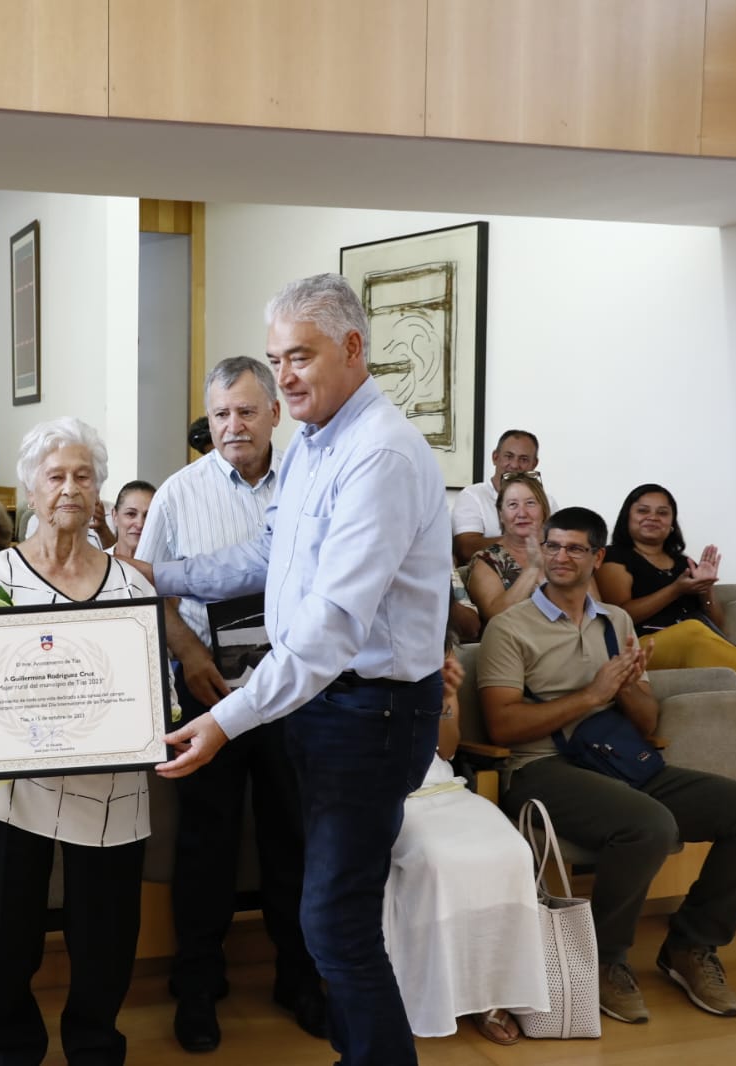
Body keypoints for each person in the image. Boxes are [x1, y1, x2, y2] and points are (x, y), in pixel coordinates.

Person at [145, 274, 450, 1066]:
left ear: (352, 349)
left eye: (300, 357)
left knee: (334, 924)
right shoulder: (317, 443)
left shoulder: (378, 454)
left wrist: (223, 719)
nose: (283, 377)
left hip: (368, 711)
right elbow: (263, 555)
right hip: (323, 707)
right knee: (335, 920)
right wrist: (159, 576)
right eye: (277, 358)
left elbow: (328, 632)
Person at [478, 506, 736, 1025]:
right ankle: (602, 959)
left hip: (619, 759)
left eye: (575, 548)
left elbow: (645, 719)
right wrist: (593, 693)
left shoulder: (615, 621)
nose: (560, 556)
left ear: (598, 557)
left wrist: (628, 687)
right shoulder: (509, 629)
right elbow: (502, 727)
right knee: (649, 825)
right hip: (541, 770)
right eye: (552, 546)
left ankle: (691, 946)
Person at [135, 356, 322, 1052]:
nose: (232, 426)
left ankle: (298, 978)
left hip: (292, 690)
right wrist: (189, 655)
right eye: (220, 414)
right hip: (207, 692)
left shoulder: (306, 484)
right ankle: (197, 984)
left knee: (292, 841)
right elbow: (149, 590)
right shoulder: (177, 495)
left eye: (245, 411)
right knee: (206, 846)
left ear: (273, 412)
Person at [0, 417, 155, 1066]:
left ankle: (95, 1048)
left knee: (105, 937)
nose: (69, 488)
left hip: (109, 787)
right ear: (31, 491)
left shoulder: (131, 584)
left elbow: (148, 687)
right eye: (55, 476)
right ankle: (11, 1052)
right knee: (6, 936)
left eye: (82, 476)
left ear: (97, 492)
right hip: (8, 788)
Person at [384, 644, 547, 1045]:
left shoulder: (438, 658)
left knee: (513, 852)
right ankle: (431, 991)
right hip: (387, 795)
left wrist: (446, 699)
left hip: (444, 788)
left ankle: (493, 989)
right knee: (439, 861)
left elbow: (448, 749)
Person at [595, 483, 736, 694]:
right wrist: (676, 589)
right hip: (639, 646)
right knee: (691, 631)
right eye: (643, 510)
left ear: (671, 524)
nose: (653, 517)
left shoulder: (684, 563)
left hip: (692, 640)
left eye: (662, 513)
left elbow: (717, 627)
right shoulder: (613, 556)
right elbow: (620, 616)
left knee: (704, 635)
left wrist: (705, 589)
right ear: (627, 517)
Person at [451, 429, 556, 563]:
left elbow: (558, 542)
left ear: (534, 464)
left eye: (523, 459)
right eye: (508, 456)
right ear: (495, 457)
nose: (514, 465)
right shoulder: (473, 496)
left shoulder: (548, 501)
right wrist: (523, 540)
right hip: (489, 574)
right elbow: (466, 548)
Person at [465, 471, 551, 624]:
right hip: (515, 645)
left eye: (530, 503)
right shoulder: (486, 561)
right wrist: (532, 569)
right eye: (512, 505)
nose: (522, 513)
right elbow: (496, 618)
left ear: (543, 509)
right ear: (501, 515)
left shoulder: (563, 551)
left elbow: (593, 608)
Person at [107, 480, 154, 563]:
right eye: (131, 514)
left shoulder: (165, 569)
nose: (140, 524)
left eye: (148, 516)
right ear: (115, 516)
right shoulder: (96, 564)